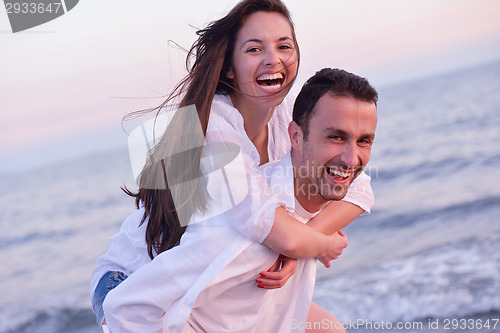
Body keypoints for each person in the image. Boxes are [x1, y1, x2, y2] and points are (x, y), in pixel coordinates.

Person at [91, 0, 374, 331]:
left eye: (284, 46)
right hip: (136, 278)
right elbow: (265, 224)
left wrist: (300, 245)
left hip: (211, 280)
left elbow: (360, 188)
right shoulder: (209, 127)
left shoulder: (286, 114)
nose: (274, 58)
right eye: (255, 49)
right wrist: (317, 244)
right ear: (228, 68)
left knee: (328, 328)